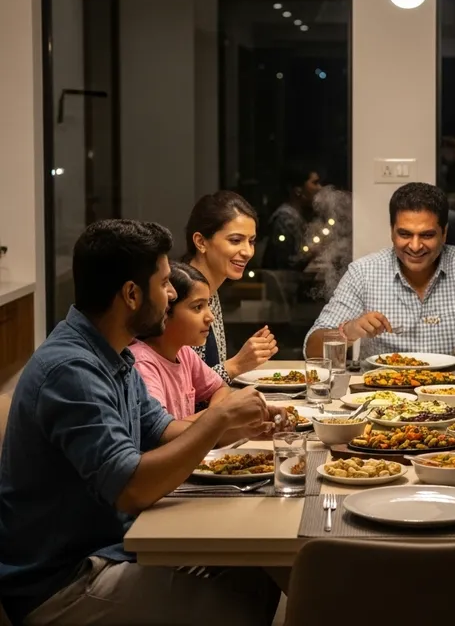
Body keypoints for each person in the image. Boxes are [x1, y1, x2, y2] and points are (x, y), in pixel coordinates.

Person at [0, 220, 284, 625]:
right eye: (165, 282)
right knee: (242, 600)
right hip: (65, 582)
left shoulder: (114, 354)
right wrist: (218, 417)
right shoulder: (72, 369)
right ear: (132, 294)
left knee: (257, 568)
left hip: (117, 547)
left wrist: (236, 425)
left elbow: (164, 430)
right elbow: (130, 489)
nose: (170, 295)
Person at [304, 182, 455, 363]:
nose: (415, 246)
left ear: (444, 233)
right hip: (378, 395)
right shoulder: (363, 273)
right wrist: (349, 331)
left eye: (427, 235)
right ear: (392, 232)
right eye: (405, 234)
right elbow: (312, 348)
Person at [185, 191, 279, 384]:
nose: (247, 252)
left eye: (251, 241)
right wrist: (237, 364)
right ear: (201, 242)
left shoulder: (211, 289)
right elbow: (186, 389)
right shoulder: (181, 295)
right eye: (235, 240)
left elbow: (208, 373)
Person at [130, 262, 232, 421]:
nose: (210, 317)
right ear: (165, 310)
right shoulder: (143, 363)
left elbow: (220, 388)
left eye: (208, 305)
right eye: (198, 307)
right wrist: (216, 418)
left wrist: (214, 417)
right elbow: (162, 432)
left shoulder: (184, 352)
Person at [261, 162, 321, 270]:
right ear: (298, 190)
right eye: (315, 183)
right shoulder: (285, 219)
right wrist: (312, 254)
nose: (319, 188)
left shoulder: (297, 217)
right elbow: (285, 264)